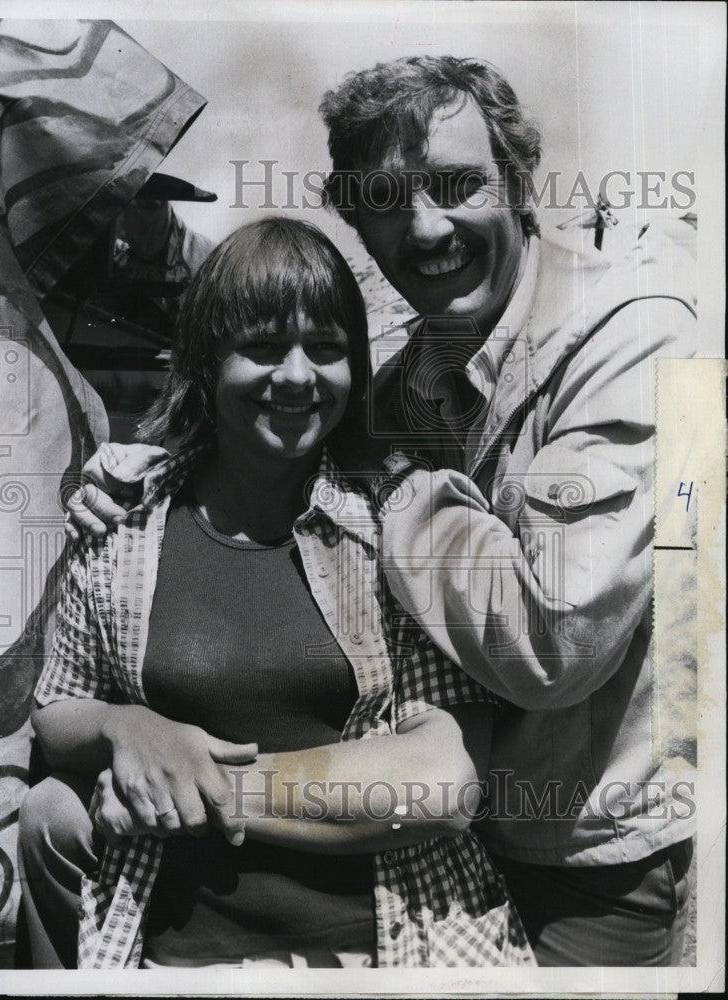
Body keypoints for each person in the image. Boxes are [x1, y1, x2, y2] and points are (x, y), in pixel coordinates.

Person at [71, 57, 699, 967]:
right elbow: (269, 421)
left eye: (456, 186)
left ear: (519, 184)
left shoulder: (635, 339)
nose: (428, 227)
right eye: (388, 198)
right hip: (425, 846)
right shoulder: (408, 362)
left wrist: (395, 474)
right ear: (355, 215)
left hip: (575, 854)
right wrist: (142, 472)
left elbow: (549, 640)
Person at [18, 217, 534, 970]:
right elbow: (57, 708)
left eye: (325, 349)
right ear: (204, 360)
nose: (297, 376)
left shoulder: (399, 524)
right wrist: (126, 729)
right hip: (164, 954)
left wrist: (195, 783)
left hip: (384, 950)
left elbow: (442, 781)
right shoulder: (125, 517)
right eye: (261, 347)